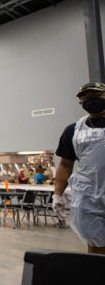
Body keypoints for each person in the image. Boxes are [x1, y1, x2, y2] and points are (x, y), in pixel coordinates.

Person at [54, 82, 105, 248]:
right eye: (86, 98)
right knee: (95, 245)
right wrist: (58, 194)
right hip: (89, 198)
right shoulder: (74, 131)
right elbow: (65, 165)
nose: (90, 101)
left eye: (96, 97)